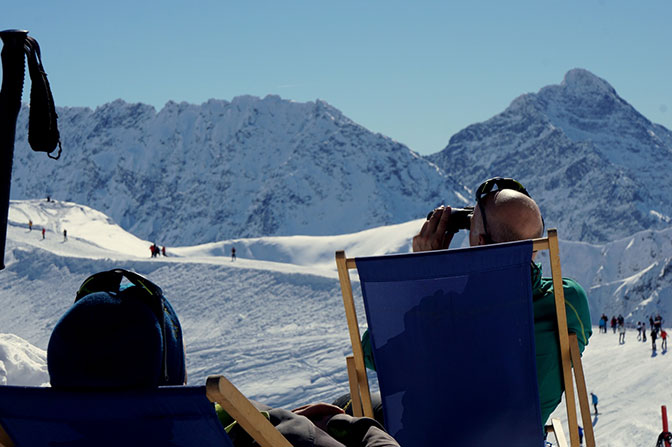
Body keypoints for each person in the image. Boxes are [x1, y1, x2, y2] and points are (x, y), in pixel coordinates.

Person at [47, 270, 398, 447]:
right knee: (359, 408)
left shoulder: (34, 430)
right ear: (172, 374)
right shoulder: (279, 436)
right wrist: (348, 428)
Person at [362, 177, 592, 426]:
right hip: (518, 442)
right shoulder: (566, 302)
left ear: (479, 242)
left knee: (347, 407)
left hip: (433, 441)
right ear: (535, 245)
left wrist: (423, 276)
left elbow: (372, 355)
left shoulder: (437, 310)